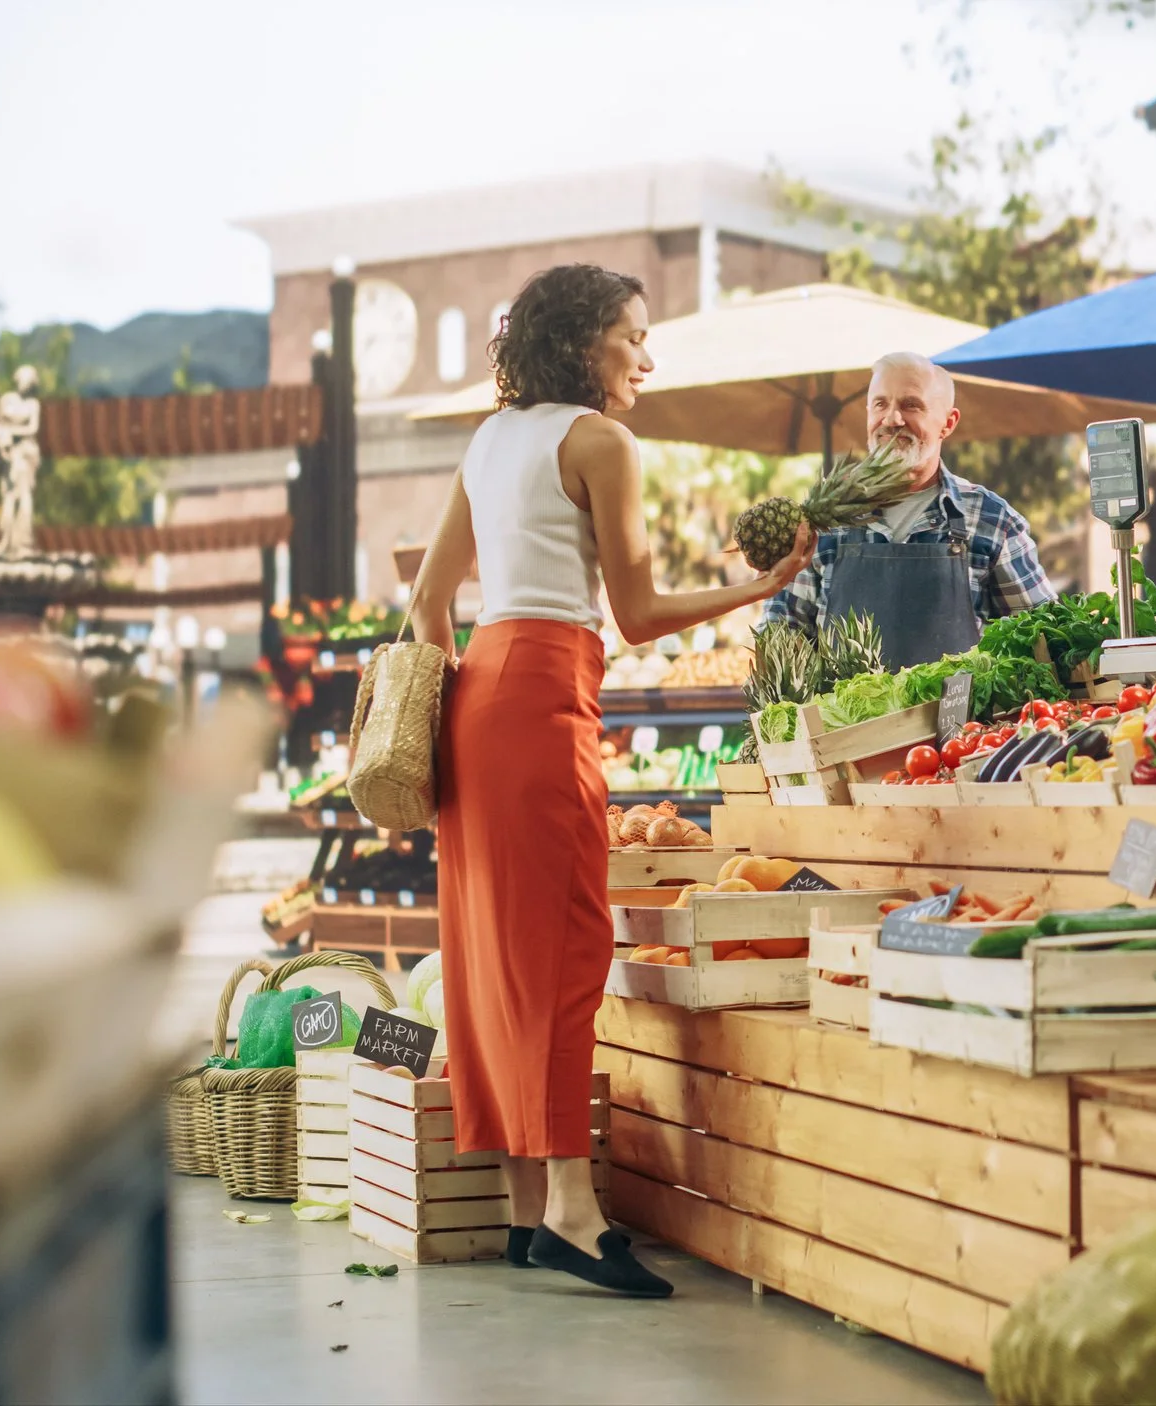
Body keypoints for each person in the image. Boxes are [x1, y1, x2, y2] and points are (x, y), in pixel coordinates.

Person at [407, 264, 812, 1296]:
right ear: (586, 340)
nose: (646, 354)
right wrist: (757, 586)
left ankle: (523, 1210)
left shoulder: (492, 438)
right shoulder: (599, 441)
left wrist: (465, 686)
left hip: (481, 693)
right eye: (634, 334)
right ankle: (580, 1217)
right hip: (542, 689)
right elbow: (633, 613)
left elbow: (427, 601)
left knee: (492, 951)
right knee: (568, 942)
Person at [763, 351, 1056, 668]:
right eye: (880, 404)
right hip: (847, 718)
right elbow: (780, 644)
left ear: (948, 423)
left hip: (959, 718)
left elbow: (1042, 641)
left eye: (910, 405)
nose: (891, 419)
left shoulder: (992, 521)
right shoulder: (822, 524)